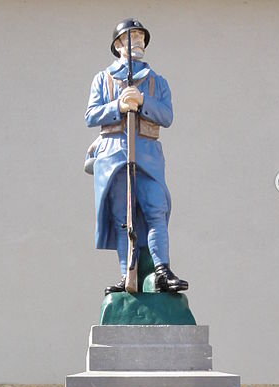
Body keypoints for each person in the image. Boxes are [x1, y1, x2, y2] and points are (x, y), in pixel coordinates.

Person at [85, 18, 188, 296]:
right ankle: (126, 275)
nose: (138, 42)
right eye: (131, 38)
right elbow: (91, 115)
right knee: (123, 218)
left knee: (156, 208)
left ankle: (162, 271)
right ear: (118, 46)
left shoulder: (157, 81)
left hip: (148, 156)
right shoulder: (102, 79)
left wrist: (142, 101)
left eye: (141, 37)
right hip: (114, 156)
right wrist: (117, 105)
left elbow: (166, 116)